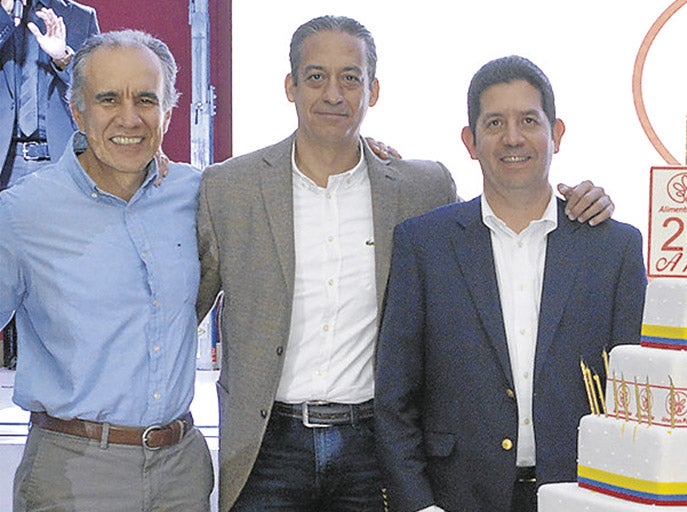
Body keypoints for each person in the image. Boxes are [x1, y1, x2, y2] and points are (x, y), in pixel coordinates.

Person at [197, 16, 615, 512]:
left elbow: (504, 220)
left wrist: (582, 200)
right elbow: (184, 310)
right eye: (316, 77)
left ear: (372, 91)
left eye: (350, 78)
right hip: (266, 447)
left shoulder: (421, 189)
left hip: (370, 448)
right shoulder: (230, 188)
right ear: (290, 86)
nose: (333, 94)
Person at [374, 55, 647, 512]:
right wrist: (419, 505)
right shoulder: (423, 244)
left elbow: (635, 393)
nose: (513, 138)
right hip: (454, 497)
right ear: (470, 141)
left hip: (582, 494)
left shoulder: (612, 248)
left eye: (529, 121)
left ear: (556, 133)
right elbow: (394, 396)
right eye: (495, 122)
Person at [0, 30, 213, 511]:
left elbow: (276, 186)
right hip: (73, 476)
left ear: (168, 111)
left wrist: (360, 150)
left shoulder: (198, 194)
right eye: (108, 99)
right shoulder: (22, 214)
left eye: (146, 100)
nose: (129, 118)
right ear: (77, 111)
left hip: (181, 473)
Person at [0, 0, 99, 368]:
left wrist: (64, 58)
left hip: (58, 166)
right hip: (5, 165)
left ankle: (58, 388)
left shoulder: (78, 17)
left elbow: (98, 94)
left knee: (59, 287)